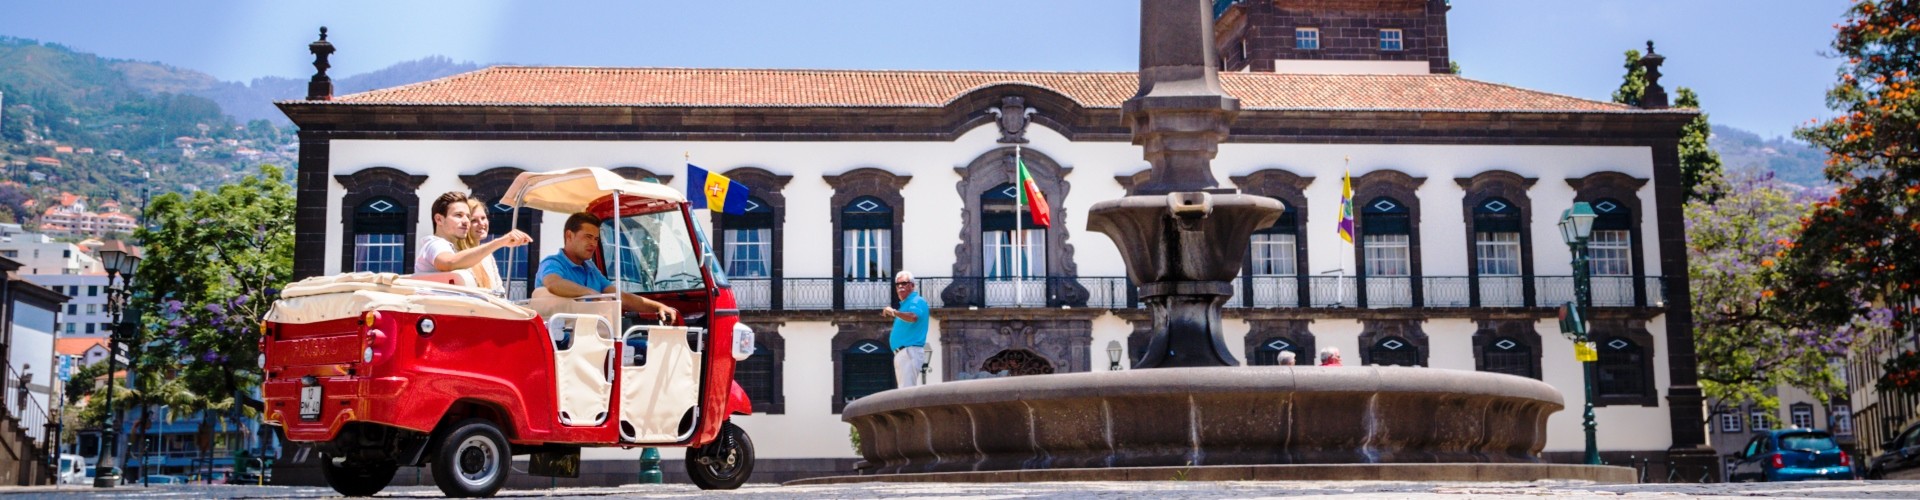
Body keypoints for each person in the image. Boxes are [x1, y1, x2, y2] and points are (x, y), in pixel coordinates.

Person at [537, 212, 677, 322]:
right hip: (559, 343)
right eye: (588, 237)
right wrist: (590, 293)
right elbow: (553, 283)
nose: (593, 243)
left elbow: (621, 297)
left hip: (593, 338)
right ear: (569, 236)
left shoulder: (590, 269)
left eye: (596, 239)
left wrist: (658, 307)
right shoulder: (552, 263)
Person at [416, 192, 530, 277]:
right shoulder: (434, 244)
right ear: (439, 219)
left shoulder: (452, 249)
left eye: (468, 216)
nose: (466, 221)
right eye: (458, 215)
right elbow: (449, 263)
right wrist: (500, 242)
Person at [882, 270, 930, 388]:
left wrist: (894, 312)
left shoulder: (916, 300)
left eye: (904, 283)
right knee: (904, 390)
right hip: (903, 353)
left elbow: (913, 317)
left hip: (909, 351)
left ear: (912, 285)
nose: (900, 286)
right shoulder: (905, 304)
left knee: (906, 391)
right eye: (898, 284)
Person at [454, 198, 507, 296]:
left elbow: (500, 292)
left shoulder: (488, 256)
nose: (482, 224)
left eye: (483, 218)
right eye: (474, 220)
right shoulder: (456, 254)